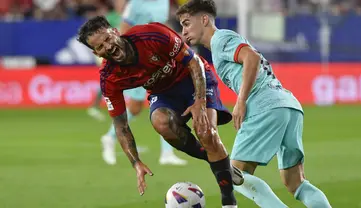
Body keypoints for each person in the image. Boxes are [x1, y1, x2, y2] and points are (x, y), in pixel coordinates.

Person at [176, 0, 332, 207]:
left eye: (187, 23)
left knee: (234, 173)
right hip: (287, 105)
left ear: (204, 19)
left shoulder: (221, 38)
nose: (183, 31)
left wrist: (240, 101)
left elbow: (252, 57)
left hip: (264, 106)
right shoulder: (218, 46)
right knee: (296, 182)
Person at [77, 16, 243, 207]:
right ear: (96, 53)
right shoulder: (109, 77)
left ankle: (229, 202)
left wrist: (199, 101)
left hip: (194, 77)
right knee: (161, 123)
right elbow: (120, 125)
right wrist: (136, 162)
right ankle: (220, 162)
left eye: (107, 39)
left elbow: (193, 62)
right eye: (100, 47)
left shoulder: (152, 35)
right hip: (164, 92)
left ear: (115, 31)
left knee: (206, 132)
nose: (107, 47)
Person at [88, 0, 187, 166]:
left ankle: (167, 152)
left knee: (165, 99)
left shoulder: (163, 3)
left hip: (156, 57)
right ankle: (110, 137)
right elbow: (123, 30)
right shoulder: (135, 4)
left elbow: (161, 27)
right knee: (137, 107)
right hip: (137, 61)